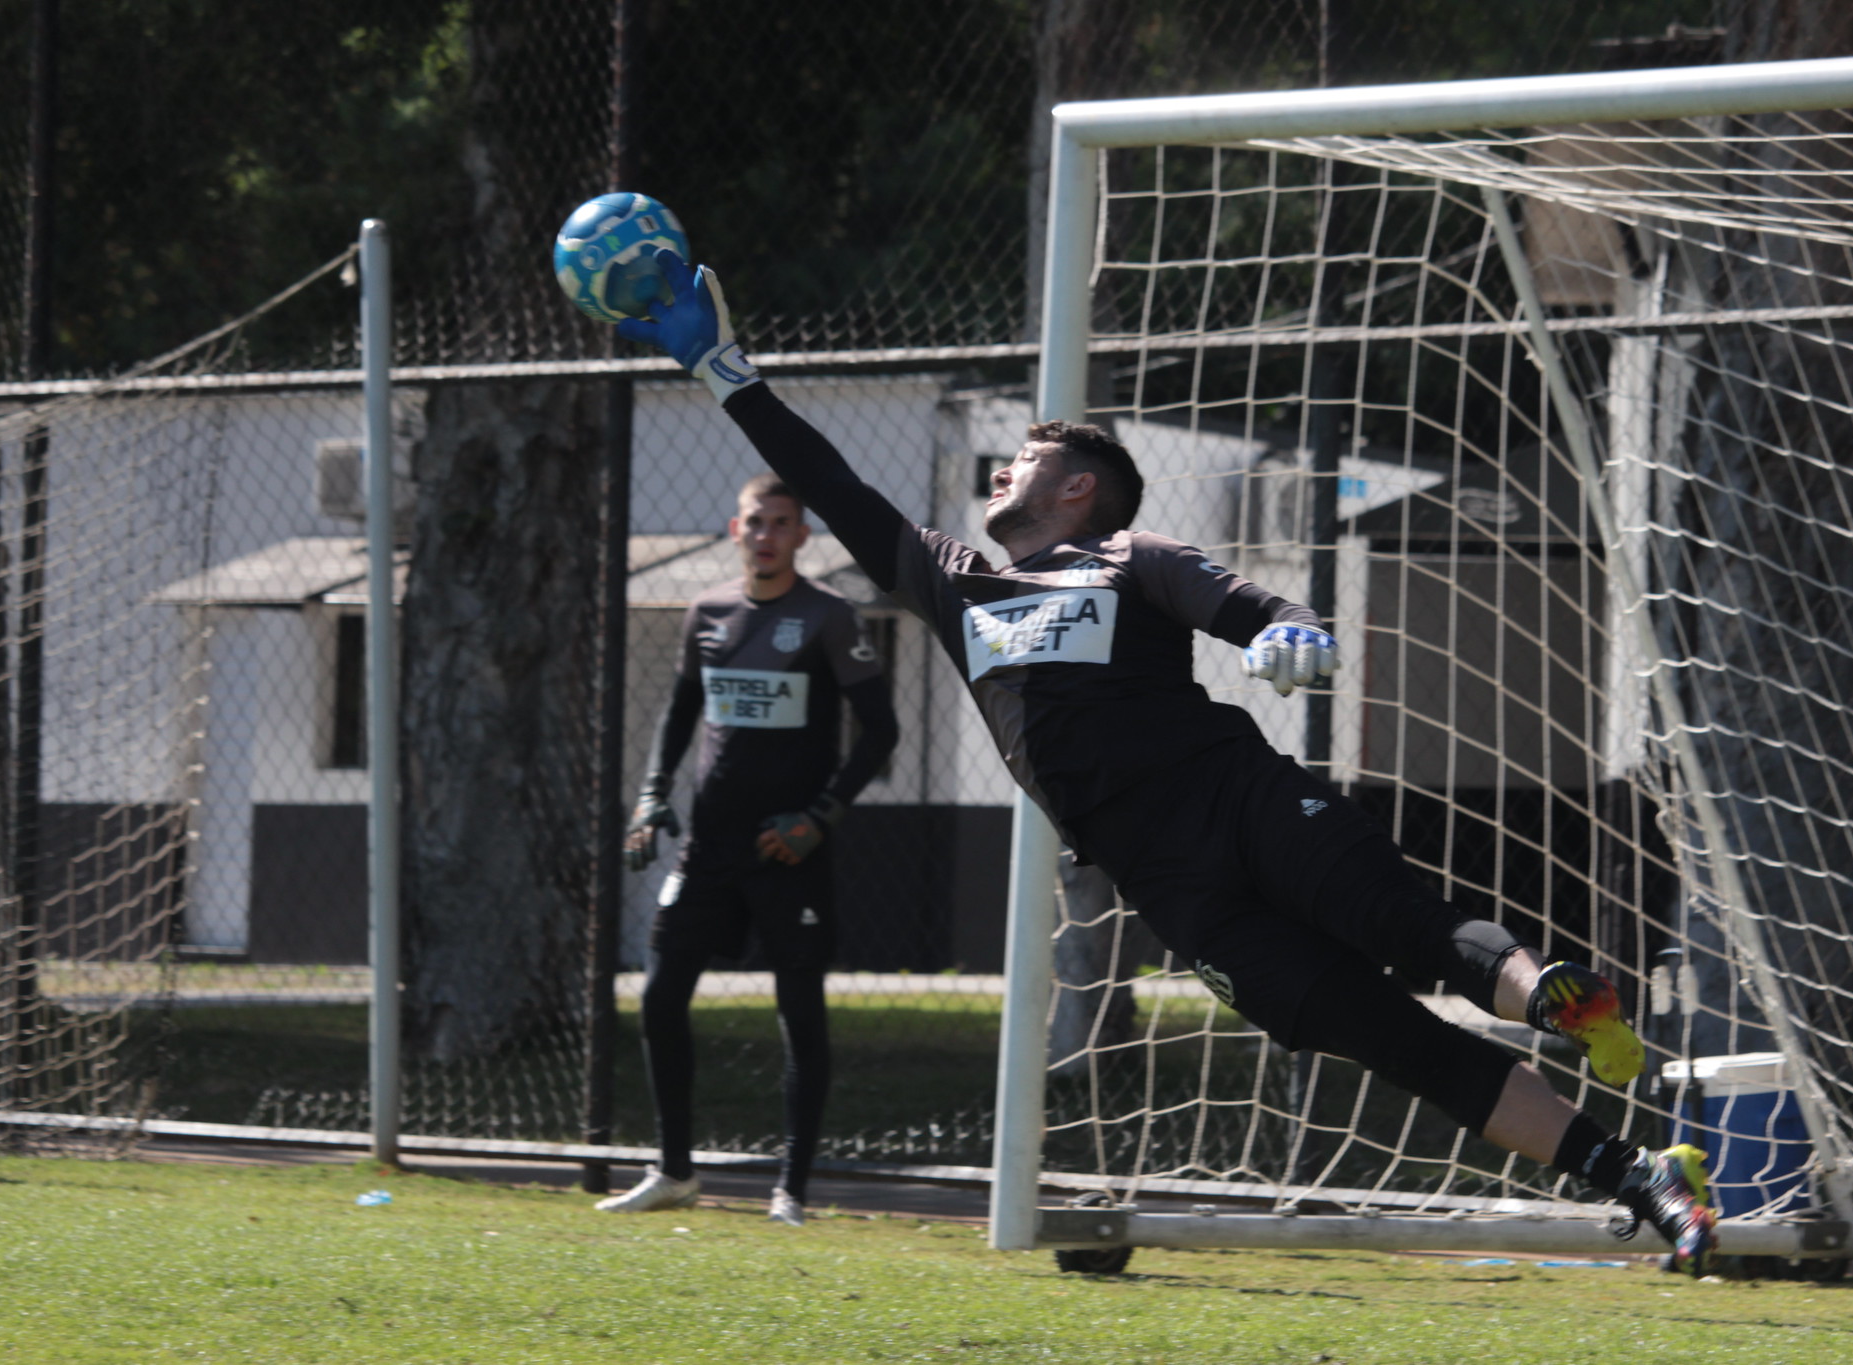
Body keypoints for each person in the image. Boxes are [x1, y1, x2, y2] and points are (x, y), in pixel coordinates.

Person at [615, 249, 1719, 1273]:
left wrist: (1287, 632)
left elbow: (1234, 603)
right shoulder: (956, 584)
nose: (1001, 470)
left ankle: (1558, 1002)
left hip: (1238, 801)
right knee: (1393, 1042)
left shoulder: (1122, 556)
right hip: (1173, 889)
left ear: (1077, 487)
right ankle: (1640, 1176)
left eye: (1026, 461)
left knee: (1401, 923)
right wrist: (724, 370)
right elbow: (837, 486)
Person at [595, 473, 900, 1228]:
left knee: (799, 1013)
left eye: (782, 523)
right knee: (661, 998)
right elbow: (680, 712)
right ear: (736, 530)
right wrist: (651, 794)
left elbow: (883, 731)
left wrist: (819, 816)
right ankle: (673, 1171)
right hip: (708, 849)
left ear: (802, 536)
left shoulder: (830, 618)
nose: (766, 535)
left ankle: (790, 1190)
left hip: (788, 851)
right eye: (755, 522)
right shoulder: (708, 613)